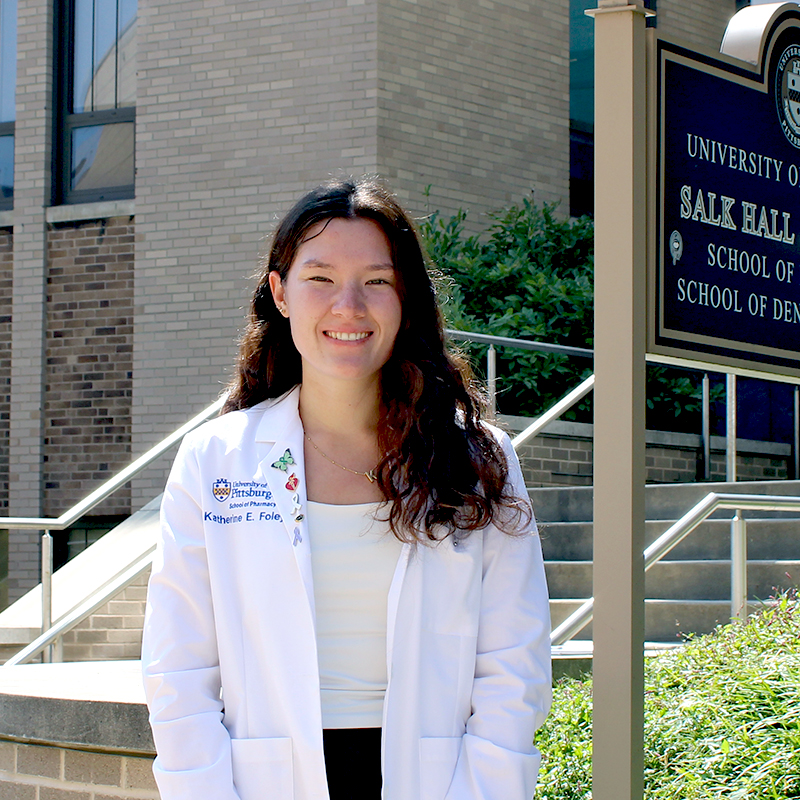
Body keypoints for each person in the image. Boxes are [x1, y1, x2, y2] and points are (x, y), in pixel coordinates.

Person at [141, 176, 551, 800]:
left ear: (405, 296)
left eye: (377, 282)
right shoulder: (216, 461)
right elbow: (179, 670)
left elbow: (513, 667)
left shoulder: (475, 459)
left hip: (439, 784)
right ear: (279, 293)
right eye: (321, 278)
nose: (349, 306)